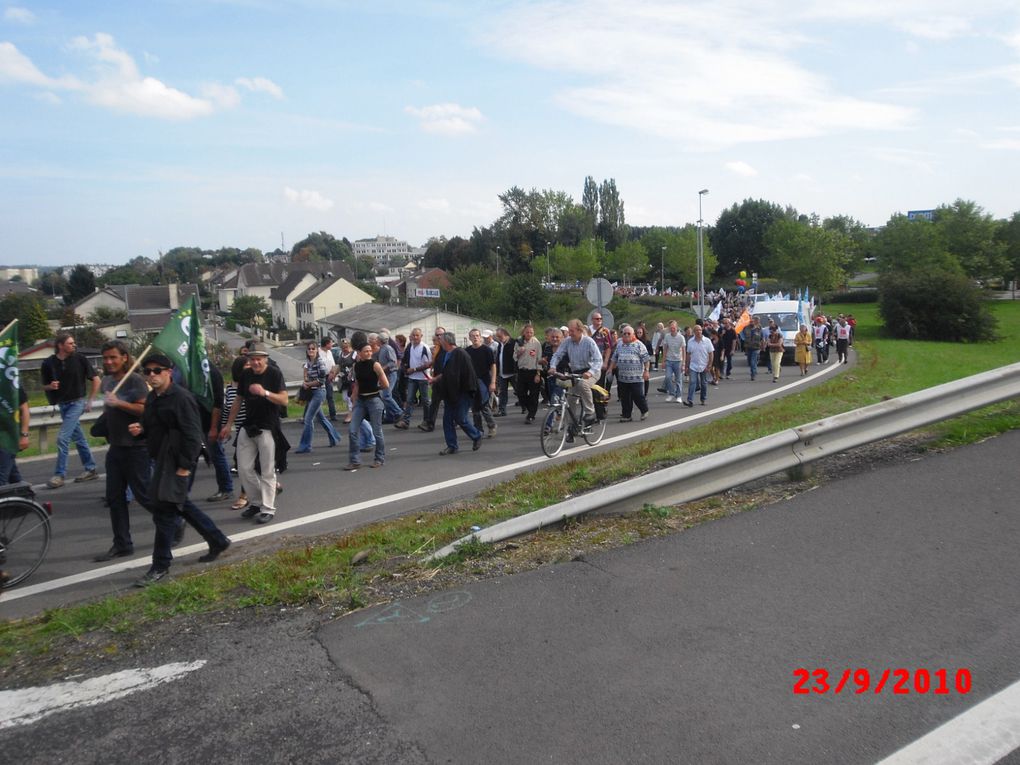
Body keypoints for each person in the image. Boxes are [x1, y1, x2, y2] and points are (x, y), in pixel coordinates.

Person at [129, 354, 231, 587]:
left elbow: (194, 435)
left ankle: (160, 565)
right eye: (148, 371)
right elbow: (153, 426)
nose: (152, 375)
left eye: (157, 370)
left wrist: (185, 466)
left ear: (169, 372)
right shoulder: (154, 398)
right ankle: (217, 540)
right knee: (179, 504)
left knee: (165, 511)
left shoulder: (181, 398)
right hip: (163, 458)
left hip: (179, 460)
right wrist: (141, 429)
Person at [93, 340, 150, 562]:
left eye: (113, 357)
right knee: (115, 498)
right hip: (116, 447)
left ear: (124, 357)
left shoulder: (135, 380)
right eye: (105, 358)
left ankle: (174, 522)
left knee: (145, 495)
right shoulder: (107, 380)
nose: (109, 362)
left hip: (136, 448)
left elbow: (144, 409)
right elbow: (109, 410)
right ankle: (122, 544)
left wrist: (119, 403)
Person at [220, 349, 286, 524]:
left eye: (259, 359)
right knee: (243, 468)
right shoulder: (246, 374)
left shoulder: (274, 374)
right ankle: (256, 502)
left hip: (268, 427)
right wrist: (228, 425)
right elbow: (238, 399)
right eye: (253, 359)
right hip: (248, 426)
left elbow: (284, 400)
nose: (256, 363)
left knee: (267, 471)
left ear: (265, 360)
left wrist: (264, 392)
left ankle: (268, 508)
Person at [41, 331, 100, 488]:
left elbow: (96, 379)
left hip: (77, 402)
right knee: (79, 438)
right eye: (70, 343)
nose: (74, 345)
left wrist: (90, 401)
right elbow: (44, 385)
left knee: (62, 438)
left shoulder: (80, 359)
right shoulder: (48, 363)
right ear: (60, 345)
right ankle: (91, 468)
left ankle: (59, 475)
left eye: (74, 343)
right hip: (62, 404)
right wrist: (50, 386)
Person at [433, 332, 482, 455]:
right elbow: (446, 372)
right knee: (447, 420)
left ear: (447, 342)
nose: (440, 343)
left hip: (462, 392)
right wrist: (436, 379)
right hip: (449, 392)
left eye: (442, 340)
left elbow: (469, 374)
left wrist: (470, 391)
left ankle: (476, 436)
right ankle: (452, 446)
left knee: (461, 418)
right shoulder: (447, 354)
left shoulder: (461, 354)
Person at [343, 338, 389, 470]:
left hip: (374, 401)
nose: (369, 353)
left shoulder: (375, 365)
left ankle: (379, 458)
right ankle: (355, 460)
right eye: (366, 351)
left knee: (377, 431)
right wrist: (354, 397)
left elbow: (385, 384)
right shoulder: (356, 366)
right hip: (361, 402)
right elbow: (357, 384)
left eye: (370, 351)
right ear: (359, 353)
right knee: (352, 430)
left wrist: (374, 388)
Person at [549, 319, 603, 424]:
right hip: (576, 372)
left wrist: (590, 372)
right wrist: (552, 367)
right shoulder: (567, 341)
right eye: (569, 331)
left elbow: (598, 360)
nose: (570, 333)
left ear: (580, 330)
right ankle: (571, 427)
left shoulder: (589, 342)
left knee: (583, 385)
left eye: (572, 331)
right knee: (570, 399)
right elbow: (557, 355)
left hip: (592, 371)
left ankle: (590, 412)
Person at [295, 341, 341, 453]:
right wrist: (306, 380)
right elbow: (307, 374)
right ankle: (335, 438)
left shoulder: (319, 362)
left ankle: (306, 445)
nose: (311, 350)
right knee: (321, 418)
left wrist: (308, 384)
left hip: (319, 393)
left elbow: (321, 380)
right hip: (311, 393)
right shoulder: (309, 362)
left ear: (317, 350)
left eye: (313, 349)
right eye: (309, 349)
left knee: (308, 419)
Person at [609, 324, 650, 422]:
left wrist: (646, 371)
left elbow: (646, 359)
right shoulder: (620, 345)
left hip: (636, 377)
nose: (626, 335)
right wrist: (610, 368)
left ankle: (644, 410)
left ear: (633, 334)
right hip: (623, 377)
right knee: (625, 397)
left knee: (637, 395)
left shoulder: (639, 345)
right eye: (624, 333)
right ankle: (627, 415)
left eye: (628, 333)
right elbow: (614, 358)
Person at [397, 327, 431, 430]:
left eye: (417, 335)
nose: (415, 337)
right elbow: (404, 360)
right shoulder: (409, 346)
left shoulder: (424, 347)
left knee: (425, 400)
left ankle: (427, 421)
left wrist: (415, 369)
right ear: (410, 336)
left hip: (423, 378)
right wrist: (405, 369)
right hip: (412, 377)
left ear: (421, 336)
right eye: (413, 335)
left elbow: (428, 364)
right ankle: (405, 421)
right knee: (409, 399)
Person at [466, 328, 498, 437]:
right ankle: (478, 429)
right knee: (474, 407)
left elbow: (493, 366)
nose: (475, 337)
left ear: (480, 337)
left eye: (477, 335)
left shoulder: (486, 350)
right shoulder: (467, 351)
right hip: (471, 382)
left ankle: (491, 425)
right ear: (469, 338)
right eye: (473, 336)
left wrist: (493, 382)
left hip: (484, 381)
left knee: (483, 405)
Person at [0, 381, 29, 485]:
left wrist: (24, 435)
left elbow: (24, 409)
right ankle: (24, 498)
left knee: (1, 481)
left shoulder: (9, 380)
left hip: (8, 438)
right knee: (14, 478)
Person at [514, 324, 542, 423]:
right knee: (520, 393)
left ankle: (531, 415)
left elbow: (539, 359)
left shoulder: (536, 343)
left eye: (531, 332)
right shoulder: (519, 342)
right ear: (523, 333)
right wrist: (519, 352)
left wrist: (538, 374)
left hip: (533, 371)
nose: (529, 334)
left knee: (534, 395)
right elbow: (514, 357)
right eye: (527, 332)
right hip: (522, 371)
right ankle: (530, 408)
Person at [683, 324, 714, 407]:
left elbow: (711, 353)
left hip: (704, 365)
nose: (698, 331)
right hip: (693, 365)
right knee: (692, 382)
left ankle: (703, 399)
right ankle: (690, 400)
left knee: (703, 383)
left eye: (700, 330)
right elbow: (688, 354)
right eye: (696, 330)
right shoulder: (690, 341)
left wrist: (709, 365)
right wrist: (687, 366)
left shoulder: (707, 341)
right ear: (694, 332)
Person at [660, 321, 685, 402]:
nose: (672, 329)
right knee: (667, 377)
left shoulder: (681, 337)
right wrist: (663, 361)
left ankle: (679, 396)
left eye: (674, 327)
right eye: (671, 328)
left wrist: (683, 363)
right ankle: (671, 393)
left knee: (678, 379)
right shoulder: (667, 336)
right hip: (669, 360)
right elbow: (665, 349)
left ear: (676, 328)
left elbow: (684, 350)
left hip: (678, 360)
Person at [319, 337, 339, 421]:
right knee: (318, 397)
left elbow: (333, 365)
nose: (332, 345)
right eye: (331, 343)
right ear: (326, 344)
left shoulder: (330, 352)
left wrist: (333, 374)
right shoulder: (318, 353)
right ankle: (312, 415)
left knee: (330, 396)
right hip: (320, 377)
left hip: (329, 376)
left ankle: (333, 415)